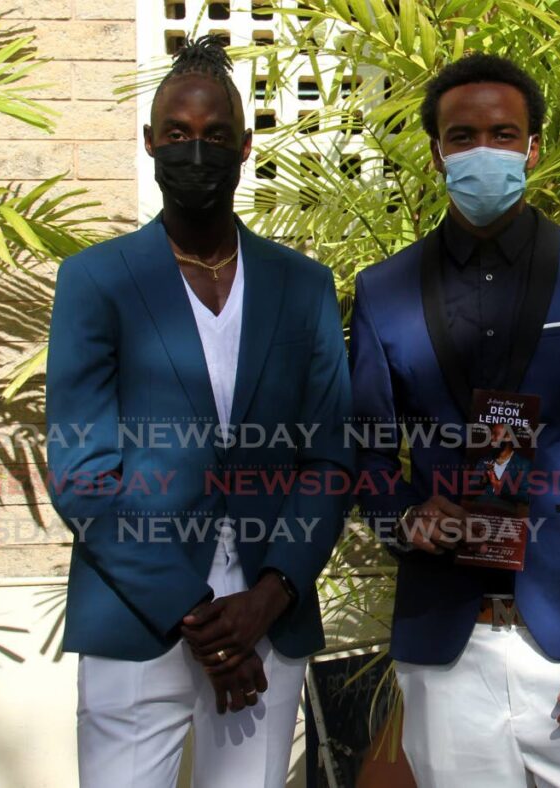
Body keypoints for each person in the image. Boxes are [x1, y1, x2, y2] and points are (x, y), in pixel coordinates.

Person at [45, 36, 352, 788]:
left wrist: (267, 599)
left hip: (266, 621)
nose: (195, 151)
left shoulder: (302, 285)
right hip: (136, 619)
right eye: (177, 134)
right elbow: (84, 474)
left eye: (215, 136)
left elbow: (329, 458)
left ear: (245, 147)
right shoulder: (97, 281)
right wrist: (198, 616)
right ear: (149, 141)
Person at [350, 53, 560, 787]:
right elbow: (364, 453)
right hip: (448, 643)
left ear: (533, 148)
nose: (482, 150)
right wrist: (404, 516)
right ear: (436, 153)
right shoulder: (383, 291)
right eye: (462, 137)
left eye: (503, 134)